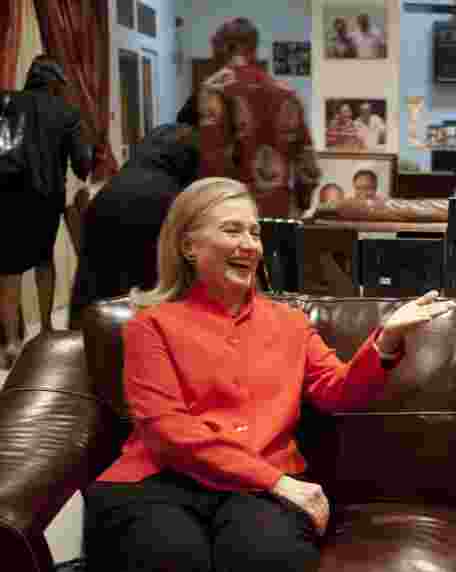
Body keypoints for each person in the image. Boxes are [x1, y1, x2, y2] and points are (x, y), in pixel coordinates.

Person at [82, 177, 456, 572]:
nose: (249, 245)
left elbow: (338, 391)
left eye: (254, 233)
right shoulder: (152, 325)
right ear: (189, 246)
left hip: (255, 492)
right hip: (161, 484)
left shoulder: (289, 323)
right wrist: (278, 483)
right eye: (232, 230)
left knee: (265, 565)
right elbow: (166, 430)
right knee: (168, 562)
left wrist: (387, 339)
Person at [0, 56, 93, 367]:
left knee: (9, 267)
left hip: (7, 195)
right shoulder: (67, 113)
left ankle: (12, 341)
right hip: (46, 197)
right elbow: (82, 162)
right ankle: (46, 329)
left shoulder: (5, 101)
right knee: (44, 260)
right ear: (54, 82)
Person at [69, 118, 200, 329]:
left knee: (99, 276)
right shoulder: (192, 142)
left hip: (110, 196)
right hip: (159, 203)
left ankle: (91, 336)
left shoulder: (159, 133)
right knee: (151, 284)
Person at [199, 17, 320, 219]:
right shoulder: (287, 93)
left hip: (231, 216)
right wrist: (301, 203)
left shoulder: (215, 90)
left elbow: (212, 159)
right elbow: (307, 165)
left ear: (224, 48)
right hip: (281, 212)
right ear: (254, 48)